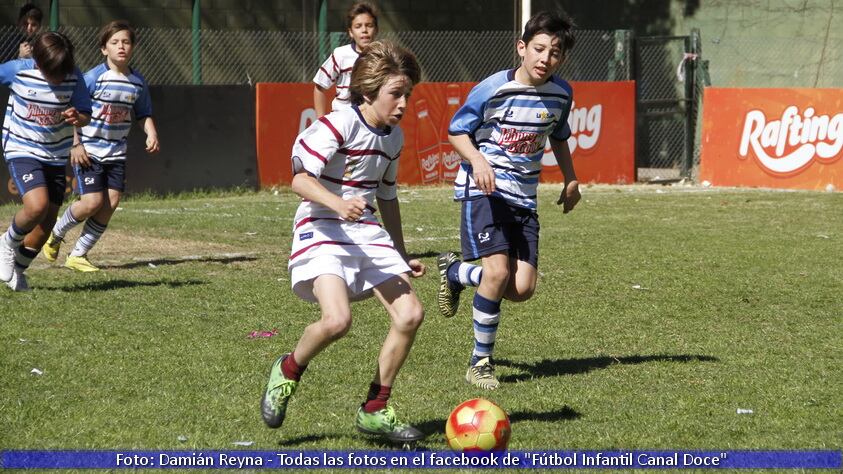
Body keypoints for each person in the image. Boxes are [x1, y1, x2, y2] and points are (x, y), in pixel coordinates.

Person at [261, 40, 426, 444]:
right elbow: (299, 179)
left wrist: (401, 253)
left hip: (365, 232)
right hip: (321, 225)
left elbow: (386, 195)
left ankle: (374, 409)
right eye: (395, 94)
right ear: (368, 92)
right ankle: (287, 370)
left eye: (407, 94)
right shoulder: (336, 125)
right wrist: (337, 202)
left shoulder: (393, 137)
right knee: (337, 321)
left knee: (410, 315)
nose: (403, 103)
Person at [436, 10, 581, 390]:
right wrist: (478, 159)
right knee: (497, 274)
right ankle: (480, 362)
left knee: (521, 288)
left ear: (562, 58)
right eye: (538, 49)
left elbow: (559, 136)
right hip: (484, 190)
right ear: (521, 48)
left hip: (524, 199)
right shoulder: (492, 88)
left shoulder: (561, 93)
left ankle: (455, 273)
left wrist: (571, 178)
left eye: (554, 52)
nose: (544, 58)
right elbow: (456, 131)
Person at [41, 20, 159, 272]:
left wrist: (151, 132)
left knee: (111, 202)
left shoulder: (137, 82)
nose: (121, 47)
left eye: (126, 42)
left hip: (116, 152)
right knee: (92, 203)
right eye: (114, 42)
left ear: (133, 47)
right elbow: (75, 111)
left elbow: (143, 113)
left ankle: (78, 255)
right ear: (104, 49)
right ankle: (56, 234)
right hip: (90, 151)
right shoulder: (93, 77)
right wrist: (76, 144)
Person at [0, 31, 92, 291]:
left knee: (46, 224)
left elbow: (86, 114)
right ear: (38, 62)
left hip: (55, 153)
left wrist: (78, 117)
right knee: (37, 205)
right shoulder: (18, 70)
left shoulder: (75, 77)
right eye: (52, 72)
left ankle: (18, 270)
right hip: (21, 147)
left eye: (62, 72)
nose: (58, 78)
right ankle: (5, 244)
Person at [312, 2, 378, 117]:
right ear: (351, 32)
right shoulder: (340, 54)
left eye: (369, 25)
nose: (364, 30)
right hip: (342, 119)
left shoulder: (383, 57)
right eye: (358, 26)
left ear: (376, 30)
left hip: (370, 123)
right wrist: (321, 121)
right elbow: (319, 87)